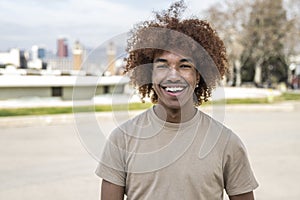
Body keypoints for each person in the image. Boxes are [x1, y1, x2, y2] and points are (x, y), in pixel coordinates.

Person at [95, 1, 259, 199]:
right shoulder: (122, 139)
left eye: (184, 66)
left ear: (198, 76)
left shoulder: (227, 143)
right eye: (162, 65)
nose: (173, 76)